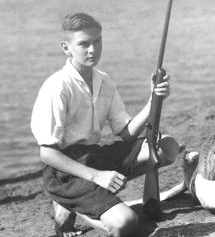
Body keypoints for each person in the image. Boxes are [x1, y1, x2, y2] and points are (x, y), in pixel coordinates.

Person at [31, 13, 179, 237]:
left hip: (94, 157)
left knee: (166, 147)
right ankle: (71, 205)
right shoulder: (57, 87)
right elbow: (47, 154)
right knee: (126, 224)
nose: (93, 49)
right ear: (66, 47)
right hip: (65, 171)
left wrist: (153, 100)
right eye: (84, 44)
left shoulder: (104, 80)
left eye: (97, 41)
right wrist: (97, 177)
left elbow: (126, 133)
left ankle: (88, 201)